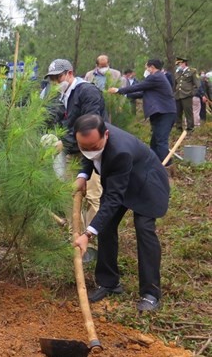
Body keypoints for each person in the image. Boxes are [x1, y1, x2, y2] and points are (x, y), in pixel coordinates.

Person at [73, 114, 169, 312]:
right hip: (121, 178)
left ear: (106, 135)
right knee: (106, 226)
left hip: (146, 184)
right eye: (84, 147)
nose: (89, 151)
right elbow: (89, 155)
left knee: (144, 230)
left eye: (93, 147)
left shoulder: (120, 151)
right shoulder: (90, 133)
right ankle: (109, 282)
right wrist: (83, 175)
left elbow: (113, 199)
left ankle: (150, 294)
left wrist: (88, 234)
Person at [45, 58, 107, 222]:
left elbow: (91, 125)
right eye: (52, 79)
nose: (55, 82)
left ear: (69, 73)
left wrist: (63, 142)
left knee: (93, 196)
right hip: (72, 153)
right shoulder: (63, 96)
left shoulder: (87, 92)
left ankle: (93, 239)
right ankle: (76, 239)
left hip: (92, 153)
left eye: (58, 77)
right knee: (70, 195)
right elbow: (61, 121)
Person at [108, 59, 176, 163]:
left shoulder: (155, 77)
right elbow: (143, 93)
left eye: (146, 68)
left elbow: (138, 87)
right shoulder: (157, 78)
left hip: (164, 113)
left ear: (152, 67)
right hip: (160, 112)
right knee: (155, 140)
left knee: (161, 140)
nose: (146, 70)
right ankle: (154, 162)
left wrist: (119, 90)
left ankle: (166, 164)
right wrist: (125, 95)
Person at [173, 57, 200, 133]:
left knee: (188, 112)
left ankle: (190, 128)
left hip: (187, 95)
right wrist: (174, 93)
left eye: (179, 64)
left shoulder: (192, 71)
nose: (178, 65)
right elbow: (175, 84)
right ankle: (178, 128)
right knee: (178, 112)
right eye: (177, 64)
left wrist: (192, 93)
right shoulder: (177, 72)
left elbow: (197, 85)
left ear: (184, 63)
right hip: (178, 95)